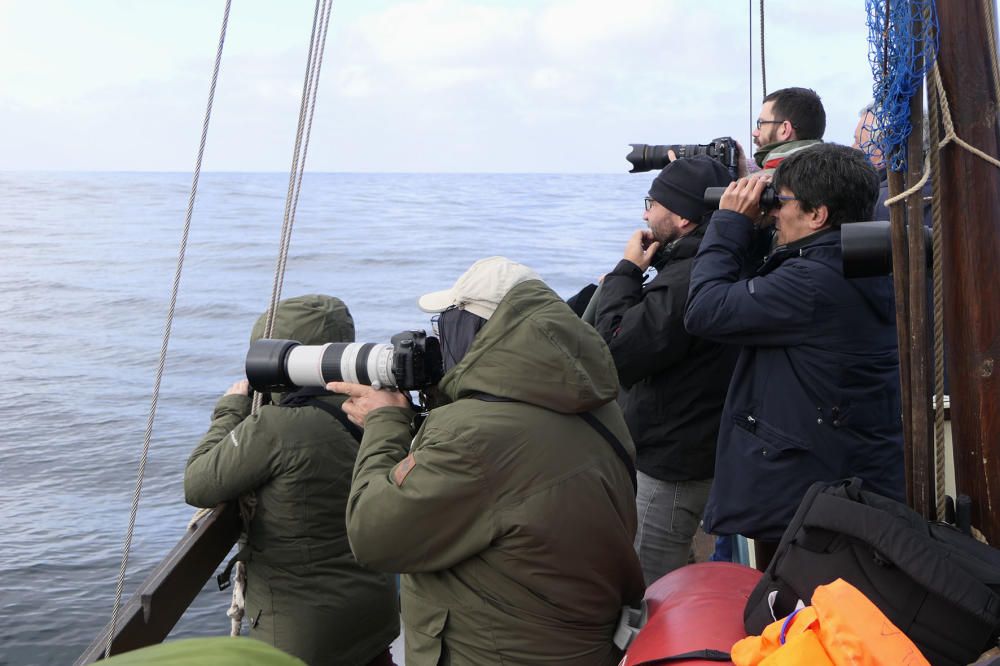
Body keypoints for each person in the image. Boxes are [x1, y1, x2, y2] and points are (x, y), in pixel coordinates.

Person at [329, 257, 645, 666]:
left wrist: (385, 421)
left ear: (474, 329)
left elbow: (372, 533)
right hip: (575, 638)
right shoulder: (594, 401)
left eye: (447, 322)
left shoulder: (473, 437)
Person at [684, 144, 905, 568]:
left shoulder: (810, 282)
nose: (774, 212)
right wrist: (760, 230)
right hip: (840, 473)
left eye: (780, 202)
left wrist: (729, 222)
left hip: (807, 492)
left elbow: (705, 310)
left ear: (817, 214)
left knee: (793, 616)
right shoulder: (857, 260)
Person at [184, 295, 399, 666]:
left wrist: (231, 409)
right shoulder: (381, 412)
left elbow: (198, 482)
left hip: (302, 635)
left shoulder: (277, 428)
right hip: (373, 613)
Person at [592, 156, 739, 586]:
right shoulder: (715, 264)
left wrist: (625, 274)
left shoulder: (683, 281)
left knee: (647, 586)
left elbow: (616, 352)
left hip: (672, 464)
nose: (644, 213)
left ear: (683, 218)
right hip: (701, 447)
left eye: (652, 203)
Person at [752, 87, 826, 173]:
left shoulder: (763, 182)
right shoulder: (836, 172)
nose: (755, 133)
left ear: (785, 130)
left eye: (760, 123)